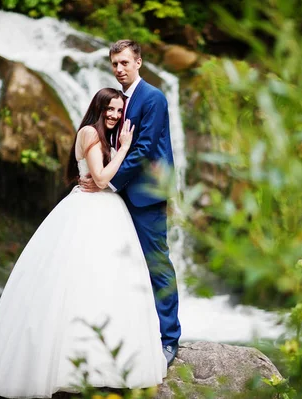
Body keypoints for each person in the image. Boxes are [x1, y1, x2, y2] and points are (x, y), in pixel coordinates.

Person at [0, 88, 167, 399]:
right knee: (77, 279)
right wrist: (124, 149)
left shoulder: (104, 135)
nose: (114, 115)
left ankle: (106, 362)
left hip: (107, 210)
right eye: (110, 108)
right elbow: (102, 179)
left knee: (108, 281)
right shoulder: (90, 133)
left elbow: (104, 180)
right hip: (87, 210)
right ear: (98, 106)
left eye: (119, 110)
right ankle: (70, 364)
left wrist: (117, 151)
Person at [80, 40, 181, 366]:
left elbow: (145, 148)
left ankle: (169, 340)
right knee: (120, 267)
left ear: (138, 61)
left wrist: (106, 182)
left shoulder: (153, 98)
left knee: (157, 265)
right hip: (118, 196)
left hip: (145, 194)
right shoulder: (117, 100)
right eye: (114, 64)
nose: (119, 68)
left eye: (124, 62)